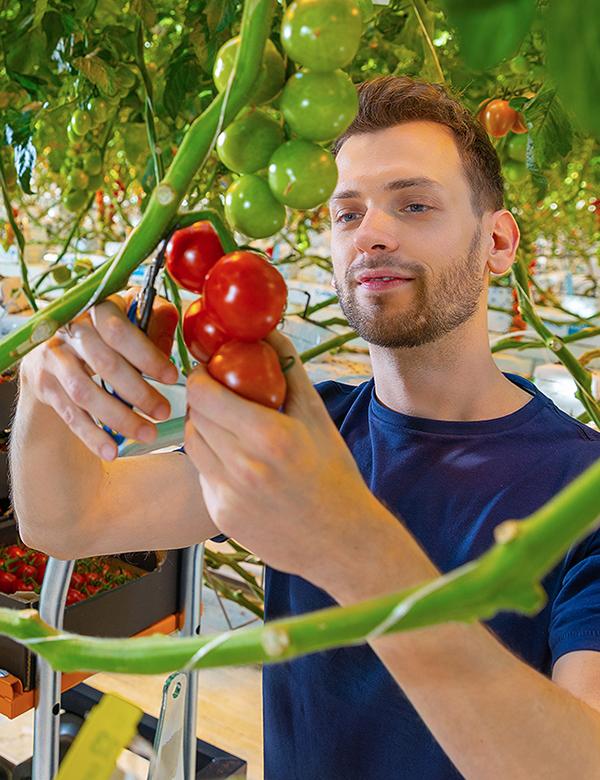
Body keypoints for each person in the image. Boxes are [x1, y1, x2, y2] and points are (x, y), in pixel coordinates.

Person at [10, 75, 600, 780]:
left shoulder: (581, 489)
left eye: (414, 204)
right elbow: (69, 520)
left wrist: (349, 544)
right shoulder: (304, 429)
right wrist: (47, 387)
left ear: (499, 241)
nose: (373, 232)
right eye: (347, 215)